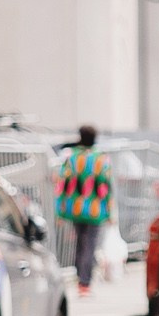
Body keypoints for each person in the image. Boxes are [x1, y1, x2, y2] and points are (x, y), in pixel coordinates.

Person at [55, 125, 115, 295]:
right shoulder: (101, 159)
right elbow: (106, 186)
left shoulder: (72, 157)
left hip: (75, 208)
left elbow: (62, 184)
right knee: (89, 245)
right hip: (95, 210)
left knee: (80, 244)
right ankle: (85, 282)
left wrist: (60, 210)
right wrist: (109, 211)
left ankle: (80, 278)